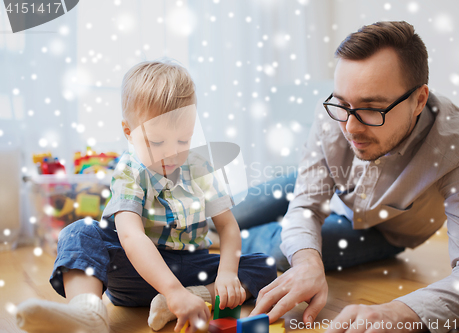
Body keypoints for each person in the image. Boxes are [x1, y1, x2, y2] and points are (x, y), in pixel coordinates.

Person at [240, 21, 459, 333]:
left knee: (275, 250)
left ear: (419, 100)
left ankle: (222, 245)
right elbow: (306, 205)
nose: (350, 128)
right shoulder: (335, 112)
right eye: (343, 104)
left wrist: (399, 313)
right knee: (228, 213)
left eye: (372, 109)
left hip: (381, 231)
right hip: (329, 187)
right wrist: (308, 262)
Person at [15, 60, 277, 333]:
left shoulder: (200, 166)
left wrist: (226, 274)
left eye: (183, 140)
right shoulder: (129, 170)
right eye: (157, 142)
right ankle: (88, 313)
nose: (172, 153)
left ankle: (186, 299)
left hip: (190, 269)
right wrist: (172, 288)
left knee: (263, 266)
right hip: (135, 271)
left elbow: (227, 226)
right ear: (129, 132)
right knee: (79, 232)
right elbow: (131, 237)